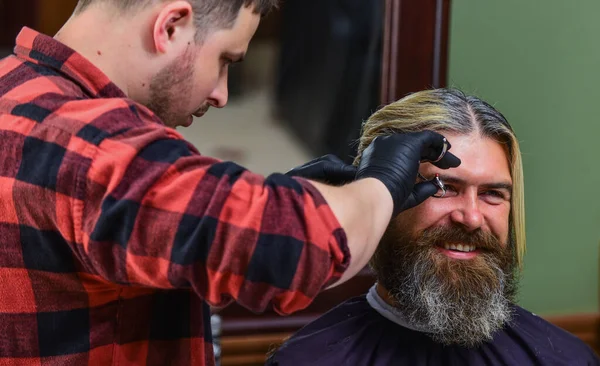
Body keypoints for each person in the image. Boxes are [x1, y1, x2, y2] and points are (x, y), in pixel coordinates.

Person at [0, 1, 461, 365]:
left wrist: (265, 198)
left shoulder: (14, 90)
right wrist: (382, 180)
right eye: (225, 59)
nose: (221, 93)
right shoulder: (98, 145)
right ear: (172, 25)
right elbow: (304, 248)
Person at [267, 88, 600, 365]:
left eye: (492, 194)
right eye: (444, 188)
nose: (471, 217)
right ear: (382, 199)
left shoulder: (566, 359)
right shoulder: (307, 360)